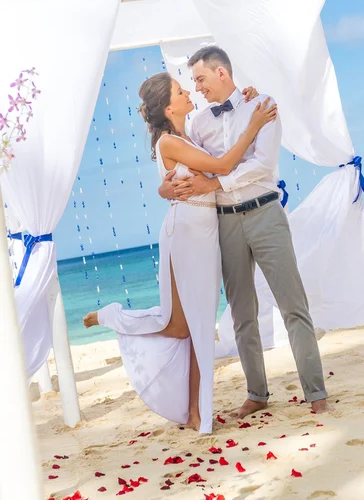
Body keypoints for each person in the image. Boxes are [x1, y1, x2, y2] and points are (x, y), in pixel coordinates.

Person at [83, 74, 276, 434]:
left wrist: (247, 98)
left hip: (202, 229)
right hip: (187, 230)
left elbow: (220, 135)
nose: (189, 92)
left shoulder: (190, 135)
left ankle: (193, 412)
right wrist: (254, 125)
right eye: (180, 91)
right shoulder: (169, 142)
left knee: (187, 326)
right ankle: (197, 413)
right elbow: (221, 167)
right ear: (169, 107)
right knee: (191, 325)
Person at [159, 46, 330, 418]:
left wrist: (215, 183)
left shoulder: (262, 104)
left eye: (201, 79)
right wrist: (172, 187)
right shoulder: (198, 124)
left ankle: (316, 393)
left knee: (292, 305)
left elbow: (262, 164)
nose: (198, 88)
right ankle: (257, 394)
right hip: (225, 223)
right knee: (241, 312)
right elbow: (190, 168)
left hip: (266, 213)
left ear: (221, 73)